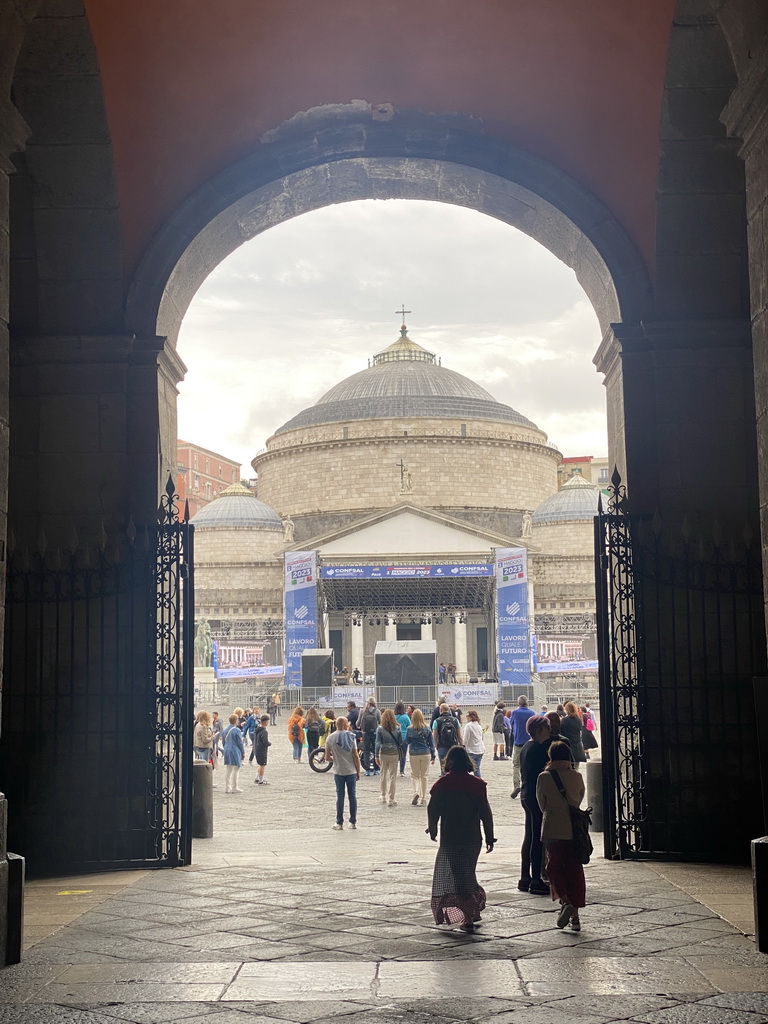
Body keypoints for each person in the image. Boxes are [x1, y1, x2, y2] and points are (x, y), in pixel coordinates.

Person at [427, 745, 496, 932]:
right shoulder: (477, 784)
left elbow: (433, 809)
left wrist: (432, 828)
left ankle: (468, 917)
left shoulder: (441, 785)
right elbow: (485, 813)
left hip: (451, 837)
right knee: (468, 872)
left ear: (448, 762)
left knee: (459, 876)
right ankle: (471, 910)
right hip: (473, 837)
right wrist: (490, 836)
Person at [536, 740, 586, 931]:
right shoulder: (577, 776)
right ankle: (576, 918)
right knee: (574, 871)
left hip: (554, 828)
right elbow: (579, 798)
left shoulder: (544, 777)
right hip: (575, 830)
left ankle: (565, 901)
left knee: (553, 868)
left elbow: (542, 804)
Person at [518, 714, 551, 895]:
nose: (549, 730)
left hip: (526, 795)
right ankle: (536, 879)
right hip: (536, 797)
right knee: (537, 838)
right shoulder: (538, 749)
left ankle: (525, 877)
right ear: (539, 730)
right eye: (546, 727)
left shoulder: (526, 747)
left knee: (529, 836)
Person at [325, 716, 360, 830]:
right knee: (352, 796)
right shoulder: (351, 737)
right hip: (351, 770)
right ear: (345, 725)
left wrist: (335, 759)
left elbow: (327, 757)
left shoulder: (330, 738)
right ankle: (352, 822)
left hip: (338, 770)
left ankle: (339, 822)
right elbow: (355, 755)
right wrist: (358, 770)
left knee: (340, 796)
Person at [405, 708, 436, 804]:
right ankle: (423, 797)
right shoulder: (427, 728)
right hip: (425, 753)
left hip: (414, 753)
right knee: (424, 776)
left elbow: (407, 741)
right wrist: (433, 755)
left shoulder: (410, 729)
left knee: (414, 775)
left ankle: (415, 792)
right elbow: (431, 743)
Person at [375, 708, 404, 806]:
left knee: (383, 774)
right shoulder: (398, 728)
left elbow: (377, 743)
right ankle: (391, 798)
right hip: (394, 753)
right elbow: (400, 742)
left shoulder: (380, 729)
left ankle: (383, 795)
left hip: (383, 753)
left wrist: (376, 755)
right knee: (392, 776)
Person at [510, 695, 535, 799]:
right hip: (530, 743)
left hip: (518, 742)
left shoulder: (515, 713)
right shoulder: (532, 713)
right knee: (529, 765)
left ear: (518, 703)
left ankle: (516, 785)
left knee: (516, 764)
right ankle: (528, 786)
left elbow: (511, 725)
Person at [433, 702, 462, 774]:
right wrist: (461, 746)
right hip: (454, 745)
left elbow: (434, 736)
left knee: (443, 768)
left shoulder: (437, 721)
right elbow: (460, 736)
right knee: (454, 768)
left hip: (442, 746)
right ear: (449, 710)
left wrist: (437, 746)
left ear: (440, 710)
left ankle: (444, 782)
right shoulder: (455, 720)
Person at [222, 713, 245, 793]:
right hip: (235, 750)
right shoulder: (236, 730)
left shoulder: (225, 729)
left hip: (227, 749)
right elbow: (240, 742)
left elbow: (223, 742)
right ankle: (234, 787)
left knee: (228, 769)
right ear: (236, 721)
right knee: (236, 768)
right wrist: (243, 752)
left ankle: (227, 787)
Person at [358, 697, 381, 776]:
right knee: (375, 751)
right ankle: (376, 769)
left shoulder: (363, 711)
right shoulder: (377, 711)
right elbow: (380, 721)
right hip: (374, 733)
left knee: (366, 751)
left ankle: (367, 770)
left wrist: (359, 726)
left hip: (365, 733)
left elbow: (358, 722)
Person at [559, 702, 587, 768]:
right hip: (578, 747)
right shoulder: (578, 720)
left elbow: (560, 732)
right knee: (576, 768)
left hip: (568, 747)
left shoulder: (565, 720)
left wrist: (561, 720)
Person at [462, 709, 485, 777]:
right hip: (480, 749)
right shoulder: (479, 726)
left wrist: (462, 746)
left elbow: (465, 739)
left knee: (465, 768)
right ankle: (479, 783)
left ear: (470, 717)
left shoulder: (468, 726)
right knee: (477, 769)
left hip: (471, 750)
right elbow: (482, 738)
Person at [252, 714, 272, 785]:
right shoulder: (264, 731)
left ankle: (257, 778)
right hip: (262, 750)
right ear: (266, 722)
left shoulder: (257, 730)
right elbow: (265, 741)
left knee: (260, 765)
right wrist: (269, 743)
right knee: (262, 765)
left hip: (257, 749)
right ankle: (261, 780)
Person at [394, 701, 411, 776]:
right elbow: (409, 726)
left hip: (395, 737)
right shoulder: (406, 717)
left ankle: (393, 770)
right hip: (404, 737)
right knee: (403, 755)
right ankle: (401, 771)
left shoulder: (393, 717)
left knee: (394, 754)